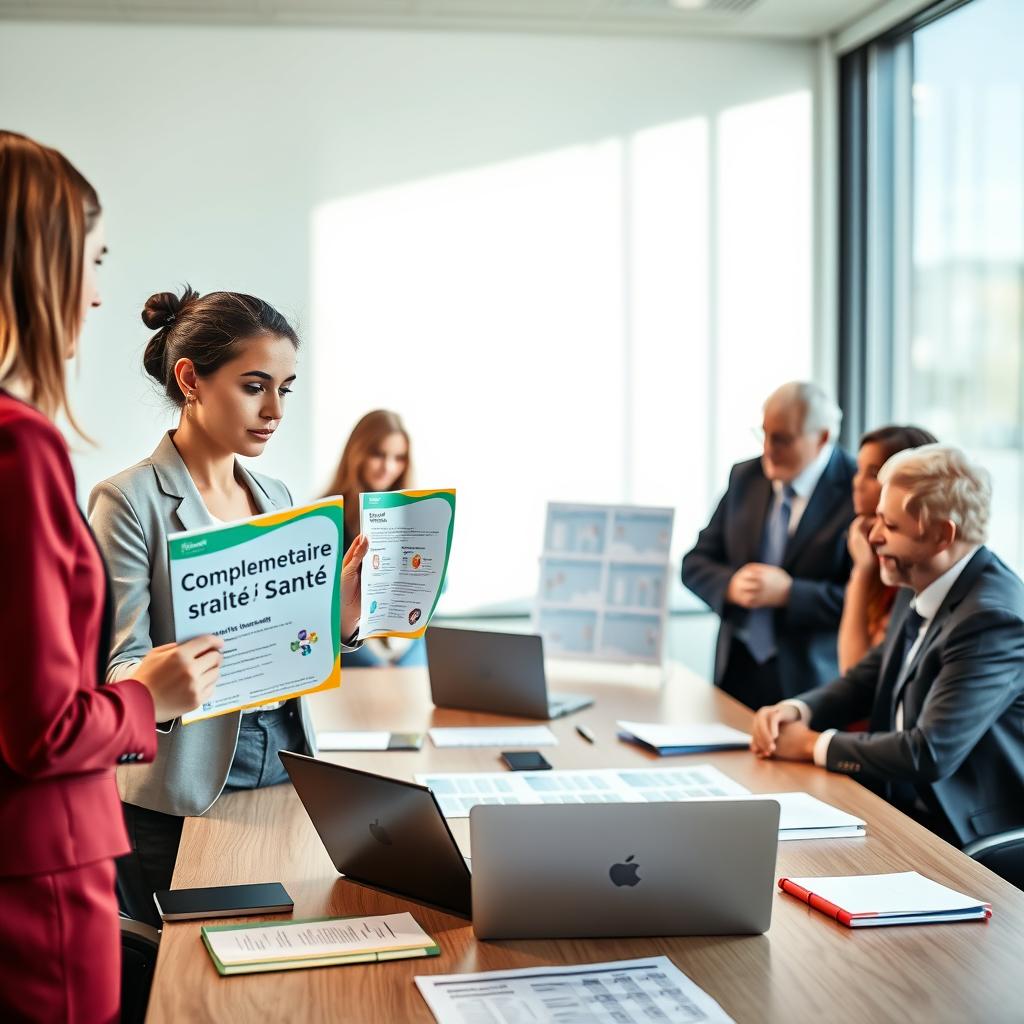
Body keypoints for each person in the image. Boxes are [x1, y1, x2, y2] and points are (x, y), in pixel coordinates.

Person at [0, 132, 221, 1022]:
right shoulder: (22, 448)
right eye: (90, 258)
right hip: (40, 866)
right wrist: (148, 698)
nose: (98, 291)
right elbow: (43, 730)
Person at [89, 286, 368, 928]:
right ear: (190, 379)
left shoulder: (277, 493)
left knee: (278, 947)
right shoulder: (128, 501)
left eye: (286, 389)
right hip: (182, 780)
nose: (274, 410)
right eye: (254, 385)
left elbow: (291, 645)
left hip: (288, 758)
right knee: (192, 970)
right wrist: (173, 671)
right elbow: (118, 668)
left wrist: (339, 624)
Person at [750, 445, 1024, 847]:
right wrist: (798, 709)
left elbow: (928, 753)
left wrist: (811, 744)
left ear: (941, 536)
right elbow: (872, 674)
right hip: (901, 806)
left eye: (890, 526)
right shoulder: (919, 578)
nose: (873, 536)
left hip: (966, 837)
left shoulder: (991, 620)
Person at [681, 382, 856, 709]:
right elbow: (694, 563)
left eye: (782, 439)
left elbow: (864, 601)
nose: (768, 449)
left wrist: (791, 594)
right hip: (736, 670)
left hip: (811, 683)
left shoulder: (855, 488)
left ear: (821, 438)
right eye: (763, 434)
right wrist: (730, 585)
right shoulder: (745, 477)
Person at [324, 409, 424, 667]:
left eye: (398, 458)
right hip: (347, 633)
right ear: (357, 453)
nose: (388, 467)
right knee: (374, 665)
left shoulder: (414, 516)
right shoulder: (326, 516)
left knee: (419, 656)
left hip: (401, 632)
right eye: (378, 455)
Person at [838, 425, 937, 673]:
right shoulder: (860, 538)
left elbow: (853, 667)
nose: (857, 483)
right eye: (858, 470)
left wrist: (862, 572)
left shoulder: (911, 566)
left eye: (873, 474)